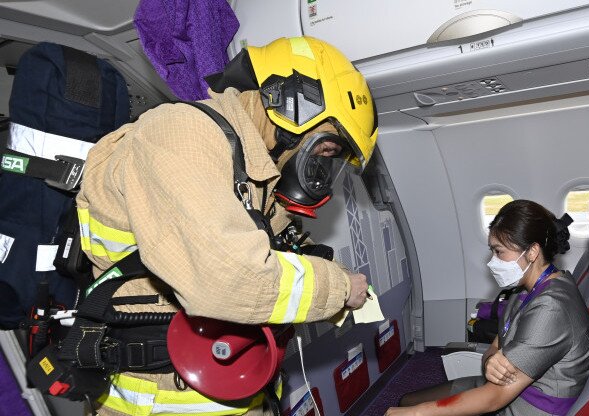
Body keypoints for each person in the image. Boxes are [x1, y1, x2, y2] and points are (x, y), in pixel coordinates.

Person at [76, 36, 377, 415]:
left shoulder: (251, 171)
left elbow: (271, 259)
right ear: (295, 106)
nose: (321, 168)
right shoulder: (179, 134)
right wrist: (338, 287)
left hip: (232, 387)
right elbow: (229, 279)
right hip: (159, 399)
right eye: (326, 151)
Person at [386, 200, 589, 416]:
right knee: (406, 401)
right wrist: (490, 363)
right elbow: (497, 344)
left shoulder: (552, 309)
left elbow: (494, 398)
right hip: (509, 389)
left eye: (499, 252)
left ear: (532, 252)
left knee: (413, 411)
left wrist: (417, 414)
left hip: (530, 406)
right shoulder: (524, 289)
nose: (493, 262)